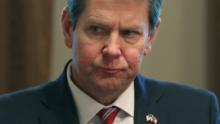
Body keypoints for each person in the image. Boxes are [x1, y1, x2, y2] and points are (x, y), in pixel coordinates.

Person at [0, 0, 219, 123]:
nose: (112, 50)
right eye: (97, 30)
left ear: (150, 37)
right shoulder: (9, 115)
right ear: (68, 28)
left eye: (129, 33)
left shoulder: (197, 112)